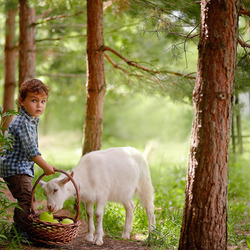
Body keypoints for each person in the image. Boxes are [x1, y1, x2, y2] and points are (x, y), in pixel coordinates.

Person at [0, 79, 56, 241]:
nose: (39, 105)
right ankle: (18, 233)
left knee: (28, 198)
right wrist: (45, 167)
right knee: (25, 198)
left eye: (43, 101)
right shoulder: (23, 122)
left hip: (20, 167)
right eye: (34, 100)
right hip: (15, 168)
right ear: (22, 101)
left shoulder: (30, 120)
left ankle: (28, 227)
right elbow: (31, 151)